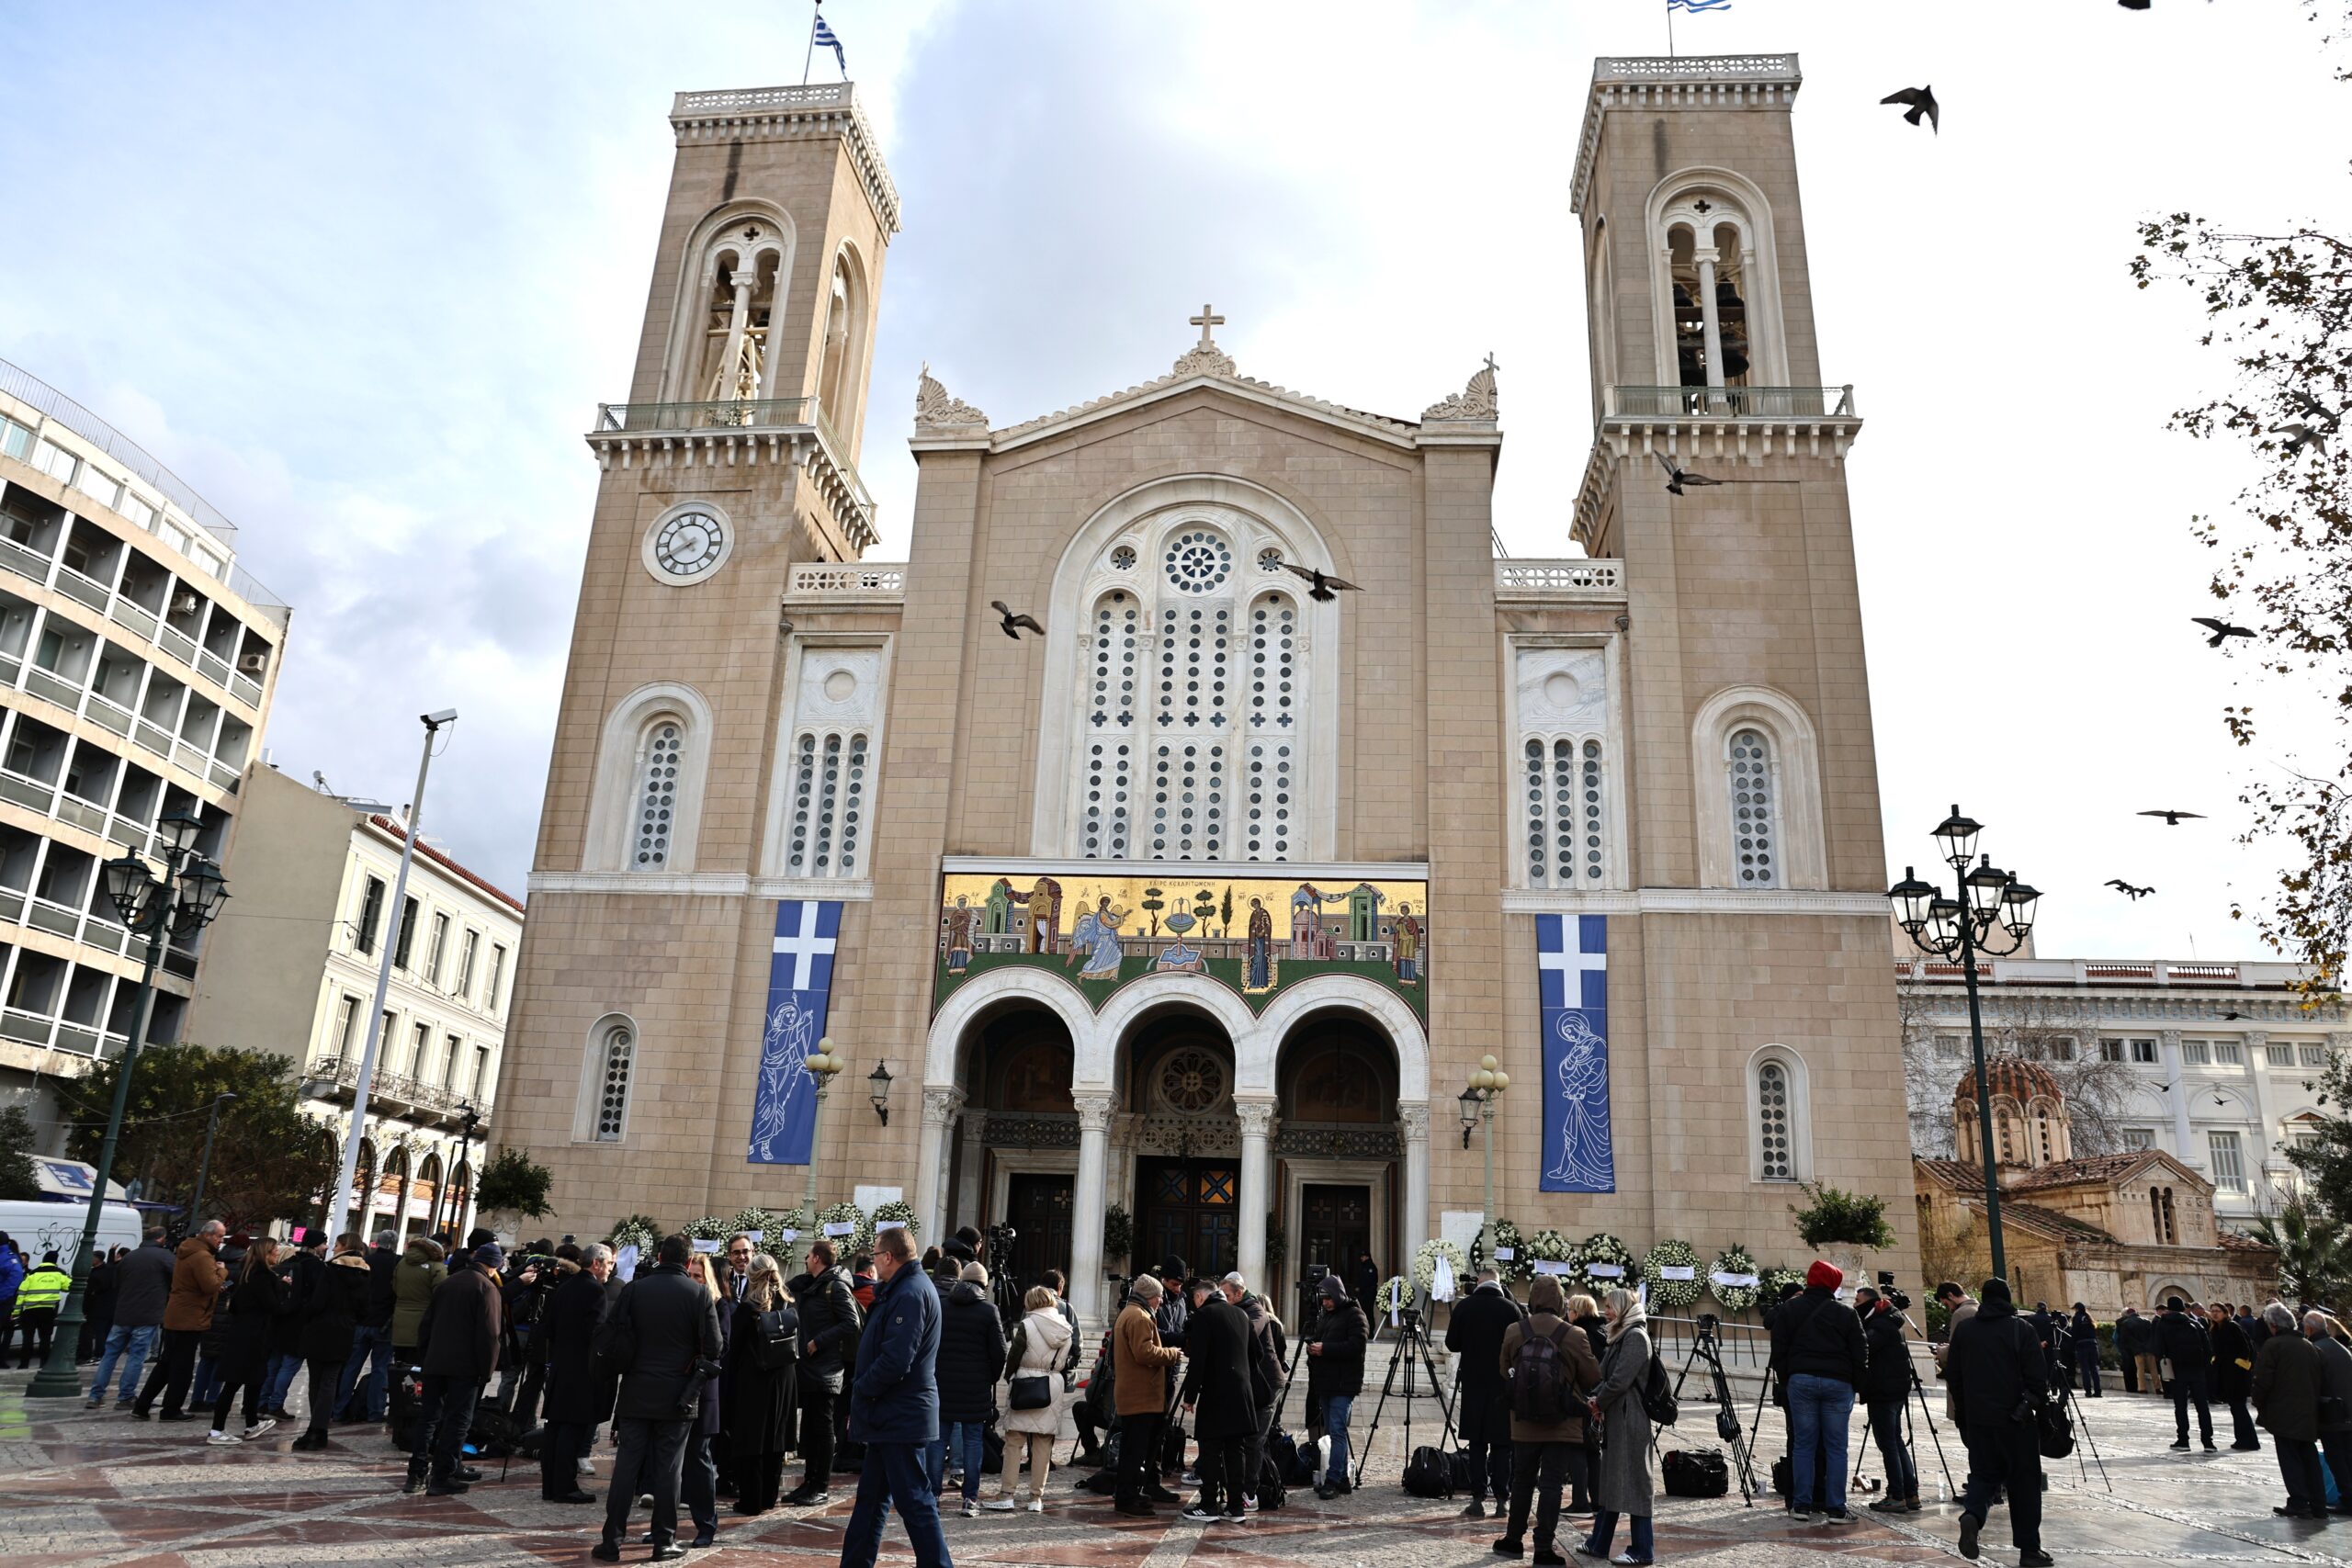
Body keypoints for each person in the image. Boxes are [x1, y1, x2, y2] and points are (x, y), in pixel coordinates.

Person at [594, 1235, 722, 1562]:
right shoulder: (699, 1294)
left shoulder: (635, 1290)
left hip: (637, 1390)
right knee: (669, 1471)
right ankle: (664, 1540)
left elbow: (613, 1335)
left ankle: (612, 1540)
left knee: (626, 1467)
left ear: (660, 1255)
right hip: (678, 1396)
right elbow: (715, 1348)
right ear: (688, 1260)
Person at [837, 1223, 954, 1568]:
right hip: (891, 1415)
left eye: (875, 1253)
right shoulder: (903, 1288)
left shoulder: (911, 1292)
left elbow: (896, 1360)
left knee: (915, 1501)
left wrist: (860, 1389)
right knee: (871, 1499)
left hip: (901, 1416)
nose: (873, 1259)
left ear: (888, 1256)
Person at [1496, 1273, 1601, 1566]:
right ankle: (1543, 1549)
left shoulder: (1514, 1330)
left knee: (1522, 1482)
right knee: (1552, 1484)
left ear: (1532, 1299)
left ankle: (1513, 1541)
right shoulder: (1575, 1334)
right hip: (1562, 1423)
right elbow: (1593, 1376)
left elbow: (1505, 1371)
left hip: (1524, 1422)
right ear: (1560, 1301)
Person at [1947, 1279, 2049, 1568]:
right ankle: (2030, 1550)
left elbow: (1954, 1376)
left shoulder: (1966, 1330)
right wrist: (2029, 1406)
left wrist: (1965, 1413)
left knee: (1983, 1475)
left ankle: (1973, 1516)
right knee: (2023, 1483)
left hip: (1978, 1419)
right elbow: (2038, 1380)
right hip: (2016, 1421)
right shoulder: (2021, 1329)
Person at [1771, 1259, 1867, 1525]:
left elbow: (1778, 1347)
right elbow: (1861, 1351)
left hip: (1801, 1380)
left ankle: (1801, 1504)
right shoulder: (1846, 1313)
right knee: (1836, 1447)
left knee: (1804, 1444)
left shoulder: (1790, 1309)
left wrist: (1787, 1377)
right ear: (1834, 1283)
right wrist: (1857, 1384)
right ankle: (1836, 1508)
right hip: (1838, 1382)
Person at [409, 1240, 503, 1497]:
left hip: (435, 1362)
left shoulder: (448, 1282)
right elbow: (489, 1335)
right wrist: (487, 1370)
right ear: (494, 1266)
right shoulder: (486, 1288)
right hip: (465, 1367)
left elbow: (425, 1324)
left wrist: (425, 1356)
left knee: (428, 1418)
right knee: (457, 1421)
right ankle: (442, 1476)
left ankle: (415, 1474)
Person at [1580, 1286, 1655, 1567]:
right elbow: (1606, 1375)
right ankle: (1598, 1543)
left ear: (1623, 1308)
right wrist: (1594, 1399)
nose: (1605, 1310)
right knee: (1611, 1482)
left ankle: (1643, 1549)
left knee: (1636, 1483)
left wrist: (1599, 1401)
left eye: (1610, 1306)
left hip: (1630, 1419)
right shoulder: (1619, 1336)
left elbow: (1621, 1380)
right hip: (1617, 1417)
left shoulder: (1635, 1337)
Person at [786, 1235, 861, 1506]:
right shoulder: (813, 1284)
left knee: (823, 1427)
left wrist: (820, 1341)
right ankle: (808, 1482)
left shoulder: (836, 1287)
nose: (805, 1259)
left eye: (808, 1255)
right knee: (810, 1426)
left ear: (817, 1258)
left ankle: (821, 1485)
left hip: (827, 1369)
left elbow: (851, 1323)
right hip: (809, 1366)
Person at [1177, 1267, 1256, 1524]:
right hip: (1241, 1392)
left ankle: (1209, 1504)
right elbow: (1258, 1355)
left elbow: (1198, 1360)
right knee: (1236, 1449)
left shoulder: (1205, 1315)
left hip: (1216, 1391)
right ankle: (1235, 1507)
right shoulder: (1241, 1315)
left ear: (1200, 1298)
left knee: (1210, 1448)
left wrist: (1189, 1396)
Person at [721, 1252, 797, 1517]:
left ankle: (750, 1500)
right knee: (775, 1440)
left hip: (754, 1379)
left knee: (751, 1440)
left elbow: (734, 1349)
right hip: (784, 1378)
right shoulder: (788, 1304)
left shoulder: (747, 1308)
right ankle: (768, 1497)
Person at [538, 1242, 614, 1505]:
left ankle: (551, 1485)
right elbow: (596, 1334)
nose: (610, 1270)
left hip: (561, 1365)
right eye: (609, 1263)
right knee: (571, 1429)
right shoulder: (594, 1290)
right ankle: (565, 1486)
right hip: (581, 1370)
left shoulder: (566, 1286)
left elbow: (549, 1327)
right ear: (596, 1263)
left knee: (556, 1428)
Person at [1447, 1266, 1521, 1520]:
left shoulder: (1465, 1307)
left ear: (1478, 1282)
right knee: (1502, 1445)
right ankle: (1502, 1500)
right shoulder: (1510, 1309)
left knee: (1477, 1443)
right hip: (1502, 1385)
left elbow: (1451, 1343)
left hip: (1474, 1385)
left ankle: (1477, 1499)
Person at [993, 1283, 1074, 1512]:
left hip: (1026, 1382)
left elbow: (1015, 1356)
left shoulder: (1027, 1325)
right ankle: (1035, 1499)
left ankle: (1007, 1493)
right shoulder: (1065, 1327)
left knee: (1014, 1440)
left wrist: (1009, 1377)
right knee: (1043, 1444)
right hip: (1052, 1383)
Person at [135, 1220, 226, 1421]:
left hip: (177, 1312)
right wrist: (221, 1270)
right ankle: (171, 1408)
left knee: (167, 1363)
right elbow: (210, 1286)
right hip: (191, 1315)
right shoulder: (202, 1256)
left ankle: (142, 1405)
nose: (221, 1240)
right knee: (182, 1367)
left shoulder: (186, 1251)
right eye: (219, 1236)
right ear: (208, 1235)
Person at [933, 1260, 1002, 1517]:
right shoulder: (988, 1311)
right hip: (975, 1388)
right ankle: (970, 1499)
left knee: (938, 1442)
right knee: (973, 1442)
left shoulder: (942, 1307)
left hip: (943, 1386)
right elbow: (1000, 1352)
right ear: (984, 1284)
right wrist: (989, 1378)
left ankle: (932, 1497)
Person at [1113, 1272, 1186, 1517]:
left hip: (1135, 1394)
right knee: (1134, 1450)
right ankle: (1127, 1498)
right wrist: (1172, 1353)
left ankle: (1130, 1493)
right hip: (1140, 1396)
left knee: (1132, 1449)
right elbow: (1144, 1353)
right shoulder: (1140, 1317)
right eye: (1159, 1297)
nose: (1162, 1302)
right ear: (1149, 1297)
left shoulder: (1131, 1312)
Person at [290, 1234, 371, 1450]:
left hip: (321, 1329)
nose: (333, 1249)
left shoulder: (330, 1270)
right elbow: (364, 1308)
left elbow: (317, 1301)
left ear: (344, 1246)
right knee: (330, 1381)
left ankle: (313, 1431)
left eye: (336, 1245)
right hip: (345, 1331)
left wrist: (307, 1314)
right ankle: (320, 1430)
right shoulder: (364, 1272)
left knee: (317, 1381)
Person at [206, 1238, 288, 1446]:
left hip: (242, 1332)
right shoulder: (264, 1276)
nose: (277, 1254)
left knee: (253, 1380)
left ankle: (252, 1424)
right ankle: (216, 1430)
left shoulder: (244, 1273)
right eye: (274, 1251)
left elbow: (234, 1305)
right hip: (253, 1335)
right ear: (266, 1253)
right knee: (235, 1382)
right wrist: (284, 1291)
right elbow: (273, 1306)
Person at [2250, 1301, 2325, 1520]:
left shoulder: (2274, 1345)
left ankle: (2299, 1502)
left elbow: (2263, 1380)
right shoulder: (2309, 1345)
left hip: (2283, 1412)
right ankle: (2318, 1503)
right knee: (2309, 1457)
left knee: (2290, 1458)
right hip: (2307, 1410)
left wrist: (2258, 1401)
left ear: (2273, 1325)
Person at [679, 1251, 729, 1543]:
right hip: (676, 1390)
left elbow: (721, 1347)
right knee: (672, 1462)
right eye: (690, 1275)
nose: (694, 1281)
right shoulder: (680, 1303)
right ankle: (665, 1525)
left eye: (698, 1276)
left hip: (704, 1393)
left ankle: (706, 1526)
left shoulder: (720, 1306)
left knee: (700, 1460)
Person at [1855, 1285, 1920, 1513]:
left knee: (1888, 1443)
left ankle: (1896, 1494)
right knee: (1896, 1440)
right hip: (1895, 1389)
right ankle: (1910, 1492)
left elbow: (1863, 1348)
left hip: (1884, 1391)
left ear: (1870, 1304)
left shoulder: (1879, 1326)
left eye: (1857, 1300)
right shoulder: (1889, 1321)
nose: (1854, 1304)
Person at [1223, 1272, 1285, 1508]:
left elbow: (1245, 1333)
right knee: (1245, 1437)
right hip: (1253, 1383)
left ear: (1239, 1293)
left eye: (1227, 1295)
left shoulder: (1256, 1310)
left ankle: (1250, 1493)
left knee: (1255, 1439)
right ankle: (1239, 1486)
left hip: (1268, 1384)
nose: (1225, 1299)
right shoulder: (1239, 1307)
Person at [1306, 1271, 1369, 1501]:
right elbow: (1321, 1339)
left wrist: (1326, 1349)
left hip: (1344, 1384)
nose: (1325, 1303)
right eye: (1323, 1299)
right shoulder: (1326, 1316)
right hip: (1326, 1383)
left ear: (1338, 1295)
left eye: (1329, 1298)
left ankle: (1332, 1480)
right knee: (1332, 1432)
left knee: (1338, 1431)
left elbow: (1356, 1346)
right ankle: (1342, 1478)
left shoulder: (1355, 1315)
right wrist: (1313, 1348)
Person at [93, 1228, 173, 1409]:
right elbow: (175, 1278)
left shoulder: (130, 1257)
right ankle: (126, 1397)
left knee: (109, 1356)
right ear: (162, 1238)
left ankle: (95, 1396)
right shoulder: (164, 1256)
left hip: (123, 1313)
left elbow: (117, 1281)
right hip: (147, 1313)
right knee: (136, 1356)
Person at [334, 1230, 401, 1423]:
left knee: (351, 1366)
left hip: (362, 1320)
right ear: (394, 1245)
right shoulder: (397, 1263)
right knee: (380, 1368)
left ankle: (339, 1409)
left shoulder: (366, 1262)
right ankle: (375, 1411)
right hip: (385, 1323)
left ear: (376, 1242)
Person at [2304, 1309, 2352, 1515]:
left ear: (2308, 1328)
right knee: (2348, 1455)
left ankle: (2348, 1498)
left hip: (2331, 1412)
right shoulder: (2340, 1348)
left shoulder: (2316, 1349)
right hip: (2346, 1411)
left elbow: (2312, 1384)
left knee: (2337, 1458)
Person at [2156, 1296, 2216, 1451]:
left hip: (2177, 1369)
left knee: (2181, 1406)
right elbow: (2208, 1349)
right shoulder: (2195, 1324)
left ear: (2168, 1308)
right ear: (2184, 1308)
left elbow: (2158, 1348)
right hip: (2197, 1369)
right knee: (2202, 1406)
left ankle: (2183, 1440)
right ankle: (2208, 1442)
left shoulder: (2163, 1324)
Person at [2207, 1301, 2260, 1451]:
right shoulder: (2216, 1329)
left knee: (2239, 1407)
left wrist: (2240, 1364)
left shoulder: (2232, 1327)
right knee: (2235, 1408)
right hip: (2225, 1374)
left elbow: (2247, 1348)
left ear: (2225, 1313)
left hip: (2236, 1374)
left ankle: (2250, 1440)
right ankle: (2241, 1439)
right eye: (2212, 1311)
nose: (2215, 1313)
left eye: (2218, 1310)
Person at [390, 1234, 447, 1366]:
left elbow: (395, 1287)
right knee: (417, 1368)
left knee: (400, 1366)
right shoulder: (436, 1267)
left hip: (400, 1322)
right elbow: (441, 1294)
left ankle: (400, 1386)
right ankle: (412, 1386)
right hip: (424, 1324)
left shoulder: (402, 1263)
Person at [12, 1250, 69, 1370]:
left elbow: (21, 1293)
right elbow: (69, 1286)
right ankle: (44, 1363)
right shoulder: (59, 1273)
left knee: (28, 1338)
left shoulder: (32, 1274)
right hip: (48, 1310)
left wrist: (16, 1312)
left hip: (29, 1311)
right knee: (45, 1338)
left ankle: (24, 1364)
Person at [1933, 1281, 1977, 1427]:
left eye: (1946, 1304)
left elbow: (1955, 1351)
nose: (1948, 1308)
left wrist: (1941, 1351)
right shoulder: (1978, 1308)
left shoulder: (1961, 1313)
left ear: (1951, 1296)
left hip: (1963, 1379)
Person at [81, 1245, 120, 1363]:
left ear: (97, 1259)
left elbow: (91, 1292)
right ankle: (103, 1354)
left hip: (98, 1307)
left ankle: (99, 1354)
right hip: (109, 1307)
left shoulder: (96, 1274)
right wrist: (112, 1251)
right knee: (105, 1332)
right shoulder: (109, 1270)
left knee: (100, 1332)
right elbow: (111, 1264)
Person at [2120, 1305, 2162, 1398]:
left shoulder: (2126, 1323)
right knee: (2153, 1369)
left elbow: (2126, 1339)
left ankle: (2142, 1388)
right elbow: (2152, 1335)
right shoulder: (2146, 1321)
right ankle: (2158, 1388)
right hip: (2149, 1348)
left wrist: (2135, 1347)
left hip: (2137, 1349)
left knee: (2140, 1369)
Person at [2066, 1303, 2101, 1399]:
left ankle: (2088, 1392)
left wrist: (2071, 1346)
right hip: (2093, 1345)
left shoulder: (2076, 1318)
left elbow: (2074, 1333)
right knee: (2094, 1368)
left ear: (2076, 1309)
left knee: (2085, 1369)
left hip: (2082, 1345)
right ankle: (2098, 1392)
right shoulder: (2088, 1318)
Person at [2113, 1307, 2142, 1395]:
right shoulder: (2135, 1322)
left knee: (2127, 1368)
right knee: (2134, 1367)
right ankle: (2135, 1387)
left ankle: (2129, 1387)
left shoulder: (2119, 1323)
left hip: (2124, 1348)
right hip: (2135, 1347)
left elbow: (2115, 1337)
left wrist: (2119, 1347)